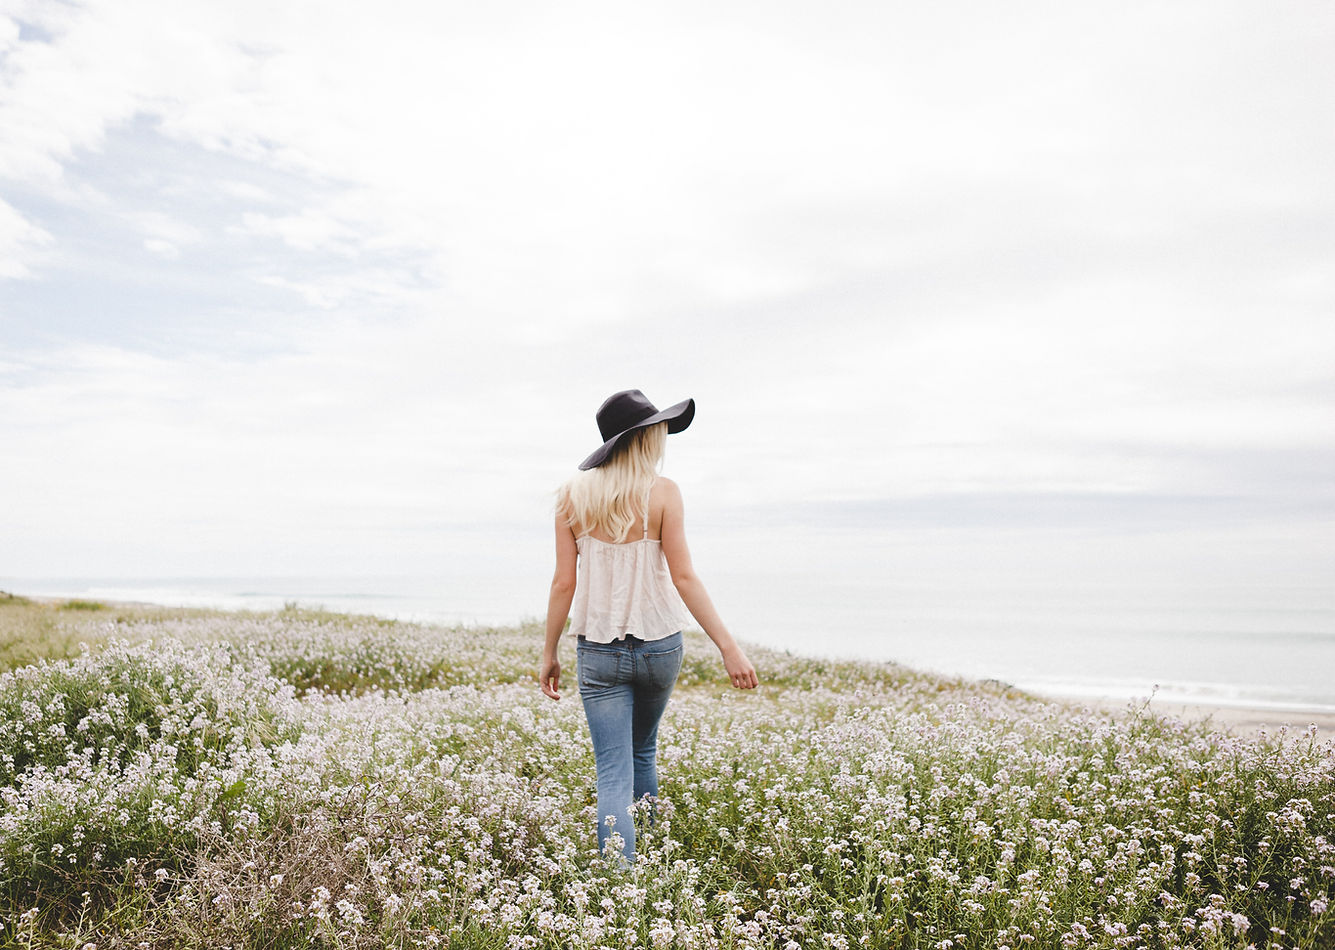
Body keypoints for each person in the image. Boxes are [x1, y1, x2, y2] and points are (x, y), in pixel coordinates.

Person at [539, 389, 758, 863]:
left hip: (598, 651)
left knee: (612, 772)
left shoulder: (571, 497)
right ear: (642, 438)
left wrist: (549, 652)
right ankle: (653, 855)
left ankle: (620, 882)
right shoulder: (664, 492)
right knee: (643, 752)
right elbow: (685, 577)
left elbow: (563, 583)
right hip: (660, 647)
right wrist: (729, 648)